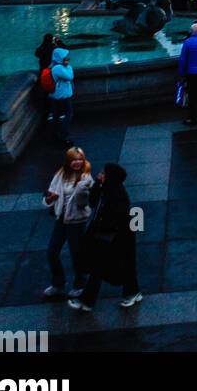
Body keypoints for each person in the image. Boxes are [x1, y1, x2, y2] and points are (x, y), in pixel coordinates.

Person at [68, 163, 141, 311]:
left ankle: (87, 301)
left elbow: (113, 219)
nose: (100, 174)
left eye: (103, 173)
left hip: (116, 237)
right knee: (119, 266)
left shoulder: (117, 196)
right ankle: (132, 292)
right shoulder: (106, 189)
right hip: (110, 236)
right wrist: (97, 185)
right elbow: (94, 202)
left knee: (101, 267)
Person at [43, 147, 93, 298]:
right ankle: (58, 283)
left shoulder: (86, 179)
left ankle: (80, 285)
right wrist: (49, 199)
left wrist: (81, 191)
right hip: (61, 219)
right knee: (52, 252)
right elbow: (51, 194)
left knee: (77, 254)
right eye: (73, 159)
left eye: (79, 159)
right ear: (68, 161)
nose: (77, 162)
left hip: (76, 222)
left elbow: (84, 201)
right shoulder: (60, 174)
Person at [47, 47, 75, 145]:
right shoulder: (58, 68)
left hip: (55, 96)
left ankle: (56, 136)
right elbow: (70, 77)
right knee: (67, 115)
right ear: (60, 57)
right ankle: (63, 137)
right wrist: (69, 67)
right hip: (62, 96)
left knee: (56, 116)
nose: (67, 58)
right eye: (65, 57)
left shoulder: (53, 66)